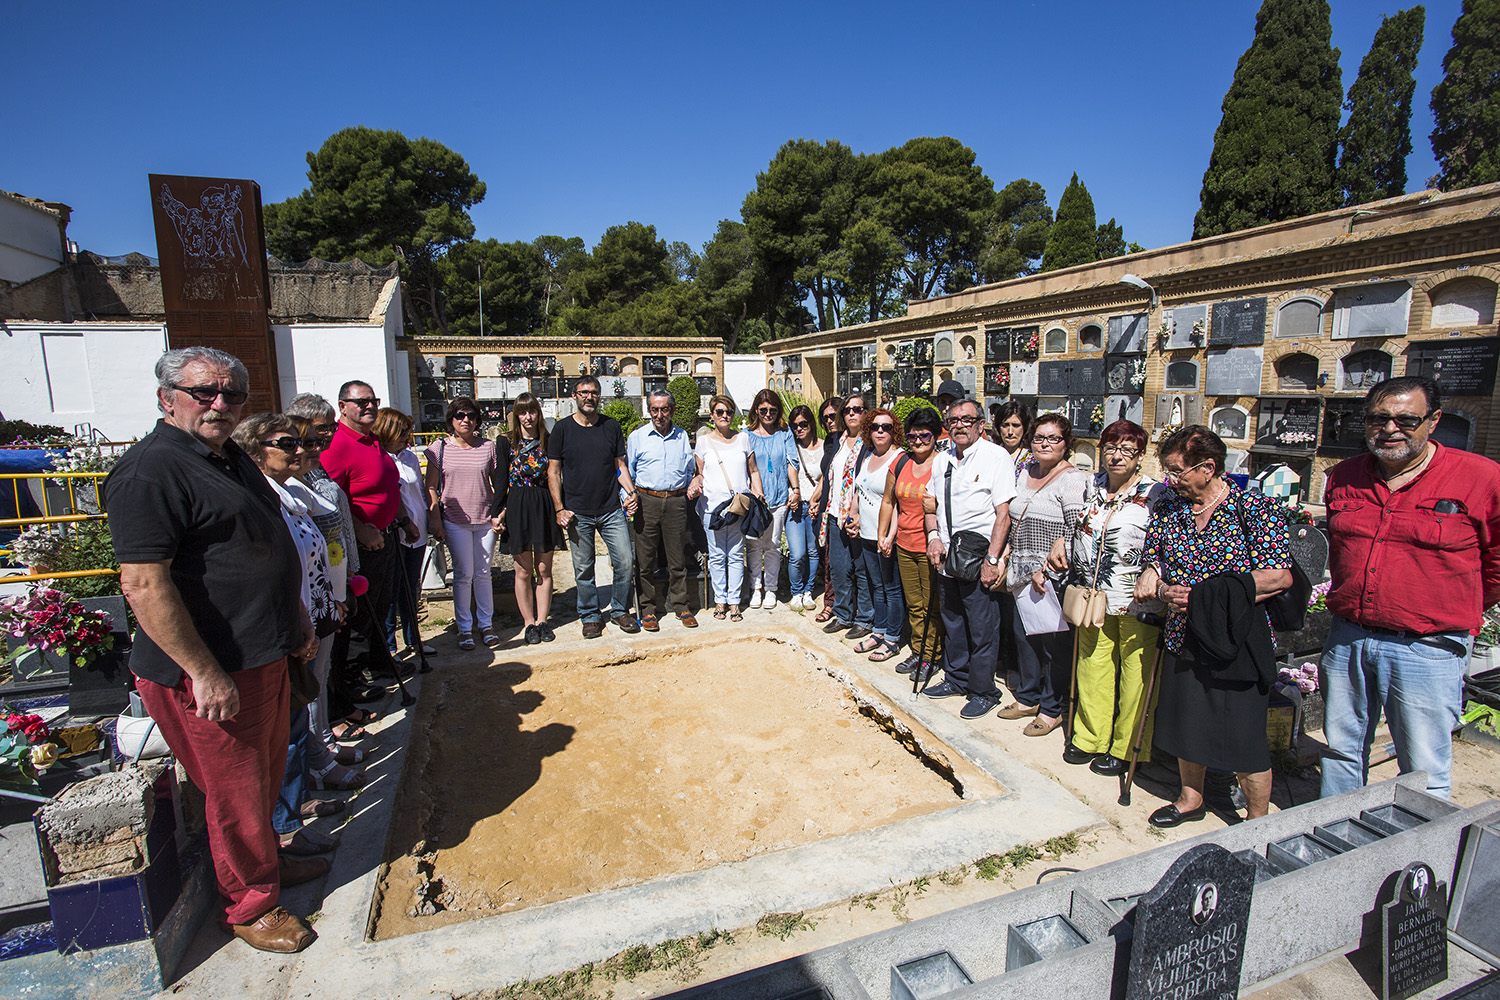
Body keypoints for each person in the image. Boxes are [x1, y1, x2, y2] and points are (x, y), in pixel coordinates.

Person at [104, 347, 322, 954]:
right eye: (205, 392)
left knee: (264, 776)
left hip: (262, 652)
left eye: (232, 394)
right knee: (235, 792)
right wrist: (202, 671)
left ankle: (268, 861)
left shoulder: (225, 457)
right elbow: (144, 583)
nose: (220, 404)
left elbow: (264, 544)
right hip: (212, 667)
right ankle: (251, 905)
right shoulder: (151, 471)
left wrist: (297, 616)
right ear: (166, 397)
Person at [1319, 375, 1500, 800]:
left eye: (1405, 420)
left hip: (1427, 648)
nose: (1390, 429)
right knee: (1342, 750)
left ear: (1433, 421)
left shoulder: (1481, 478)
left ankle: (1416, 840)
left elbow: (1495, 567)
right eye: (1378, 418)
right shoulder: (1344, 476)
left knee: (1422, 766)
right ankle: (1334, 833)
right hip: (1349, 637)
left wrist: (1439, 608)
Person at [1135, 425, 1293, 827]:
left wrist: (1205, 596)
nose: (1171, 480)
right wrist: (1155, 577)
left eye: (1177, 471)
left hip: (1236, 639)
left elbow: (1279, 576)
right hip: (1184, 634)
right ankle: (1191, 799)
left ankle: (1256, 821)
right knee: (1189, 723)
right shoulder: (1170, 508)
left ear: (1208, 467)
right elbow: (1155, 554)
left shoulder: (1253, 508)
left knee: (1243, 735)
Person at [231, 413, 352, 863]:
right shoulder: (259, 497)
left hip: (310, 615)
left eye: (302, 441)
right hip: (286, 628)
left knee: (299, 718)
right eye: (288, 443)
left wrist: (331, 599)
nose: (302, 450)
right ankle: (286, 828)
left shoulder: (291, 491)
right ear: (254, 450)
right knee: (289, 727)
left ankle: (296, 807)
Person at [1046, 420, 1165, 773]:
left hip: (1137, 599)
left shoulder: (1157, 493)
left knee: (1135, 675)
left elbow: (1171, 539)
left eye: (1127, 449)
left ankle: (1127, 747)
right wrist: (1062, 541)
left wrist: (1156, 568)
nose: (1116, 456)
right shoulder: (1090, 485)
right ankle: (1089, 738)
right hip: (1092, 594)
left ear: (1140, 455)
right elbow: (1075, 525)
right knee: (1092, 665)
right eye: (1110, 448)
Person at [285, 393, 372, 744]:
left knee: (329, 662)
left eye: (326, 430)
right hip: (315, 591)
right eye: (318, 432)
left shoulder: (316, 466)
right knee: (316, 670)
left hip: (335, 580)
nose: (323, 439)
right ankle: (324, 734)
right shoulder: (293, 479)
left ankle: (328, 727)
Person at [922, 398, 1016, 720]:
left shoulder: (995, 457)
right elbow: (931, 505)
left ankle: (983, 691)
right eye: (954, 420)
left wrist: (993, 559)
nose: (959, 425)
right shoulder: (942, 460)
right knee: (953, 621)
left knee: (982, 628)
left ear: (980, 424)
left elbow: (1003, 514)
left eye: (967, 419)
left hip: (978, 557)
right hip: (948, 556)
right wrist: (933, 537)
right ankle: (956, 678)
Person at [998, 412, 1089, 735]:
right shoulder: (1026, 472)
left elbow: (1076, 530)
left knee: (1053, 647)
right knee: (1025, 640)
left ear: (1066, 443)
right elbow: (1015, 518)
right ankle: (1028, 697)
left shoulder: (1072, 479)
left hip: (1052, 576)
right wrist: (1005, 553)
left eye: (1054, 438)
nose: (1045, 444)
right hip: (1021, 571)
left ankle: (1052, 709)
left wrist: (1047, 570)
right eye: (1039, 438)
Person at [320, 380, 409, 676]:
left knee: (382, 606)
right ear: (342, 407)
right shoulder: (336, 445)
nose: (369, 406)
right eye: (361, 402)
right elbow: (329, 499)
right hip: (360, 545)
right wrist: (360, 531)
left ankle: (381, 663)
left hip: (385, 537)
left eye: (373, 401)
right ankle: (354, 675)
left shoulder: (373, 441)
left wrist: (403, 520)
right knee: (361, 612)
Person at [548, 375, 640, 639]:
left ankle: (620, 610)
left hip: (611, 509)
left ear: (599, 396)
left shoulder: (610, 426)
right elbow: (553, 471)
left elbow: (619, 465)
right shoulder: (562, 429)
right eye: (584, 392)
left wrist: (631, 492)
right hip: (578, 512)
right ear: (574, 396)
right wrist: (559, 508)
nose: (589, 397)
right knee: (583, 568)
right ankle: (590, 616)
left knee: (625, 561)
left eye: (594, 393)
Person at [425, 397, 508, 650]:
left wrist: (500, 512)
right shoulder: (439, 448)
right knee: (463, 575)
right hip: (455, 520)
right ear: (451, 419)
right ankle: (464, 628)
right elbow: (431, 486)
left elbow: (499, 483)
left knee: (483, 573)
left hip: (485, 519)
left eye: (471, 416)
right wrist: (435, 518)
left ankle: (486, 624)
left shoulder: (488, 447)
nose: (466, 420)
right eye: (460, 415)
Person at [627, 389, 701, 631]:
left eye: (664, 409)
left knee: (677, 558)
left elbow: (689, 469)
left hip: (676, 502)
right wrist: (629, 498)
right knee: (645, 560)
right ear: (649, 410)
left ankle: (681, 606)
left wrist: (690, 485)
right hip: (646, 500)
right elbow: (628, 471)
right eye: (654, 410)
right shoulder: (637, 437)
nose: (659, 415)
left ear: (672, 410)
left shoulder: (682, 436)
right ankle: (648, 609)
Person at [879, 405, 943, 679]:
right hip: (904, 544)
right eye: (913, 436)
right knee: (914, 604)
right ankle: (918, 651)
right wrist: (884, 535)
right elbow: (888, 501)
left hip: (930, 547)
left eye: (924, 435)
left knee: (931, 606)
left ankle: (932, 656)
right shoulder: (901, 463)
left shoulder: (943, 464)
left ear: (935, 435)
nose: (918, 441)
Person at [500, 394, 564, 644]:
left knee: (544, 569)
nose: (528, 417)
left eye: (532, 411)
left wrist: (561, 508)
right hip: (518, 505)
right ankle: (528, 623)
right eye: (523, 412)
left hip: (543, 504)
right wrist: (498, 511)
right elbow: (500, 480)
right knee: (523, 570)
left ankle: (543, 620)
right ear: (516, 415)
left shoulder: (549, 440)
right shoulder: (507, 442)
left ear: (539, 413)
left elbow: (556, 474)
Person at [694, 394, 763, 620]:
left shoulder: (743, 439)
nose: (725, 416)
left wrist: (758, 493)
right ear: (712, 415)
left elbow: (753, 470)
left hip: (738, 506)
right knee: (716, 556)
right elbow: (700, 473)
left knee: (735, 555)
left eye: (729, 412)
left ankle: (734, 602)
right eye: (720, 412)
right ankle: (719, 601)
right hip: (712, 508)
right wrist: (696, 483)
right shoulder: (703, 442)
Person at [373, 408, 432, 659]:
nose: (407, 437)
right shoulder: (378, 457)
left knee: (410, 589)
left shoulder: (409, 457)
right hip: (396, 533)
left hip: (418, 532)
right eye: (402, 432)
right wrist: (405, 523)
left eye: (408, 432)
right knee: (391, 590)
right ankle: (389, 646)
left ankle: (413, 640)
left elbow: (419, 491)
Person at [850, 407, 905, 661]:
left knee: (891, 588)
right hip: (867, 533)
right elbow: (859, 489)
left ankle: (892, 638)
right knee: (877, 586)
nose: (880, 431)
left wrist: (890, 536)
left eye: (886, 427)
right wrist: (854, 516)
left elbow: (897, 502)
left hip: (886, 537)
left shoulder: (900, 459)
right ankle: (879, 631)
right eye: (875, 427)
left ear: (894, 431)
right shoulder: (869, 455)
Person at [821, 394, 873, 639]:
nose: (852, 413)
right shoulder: (838, 440)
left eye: (858, 409)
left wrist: (858, 511)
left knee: (861, 569)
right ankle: (843, 614)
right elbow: (830, 477)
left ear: (866, 413)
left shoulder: (870, 442)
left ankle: (865, 618)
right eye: (847, 410)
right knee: (839, 568)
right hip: (835, 514)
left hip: (859, 516)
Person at [744, 389, 800, 611]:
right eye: (764, 410)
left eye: (773, 410)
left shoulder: (784, 434)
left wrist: (795, 489)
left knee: (773, 545)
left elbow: (791, 463)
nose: (768, 414)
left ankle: (771, 588)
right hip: (756, 501)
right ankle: (755, 587)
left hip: (778, 498)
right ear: (756, 411)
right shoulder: (746, 435)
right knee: (754, 545)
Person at [786, 404, 824, 612]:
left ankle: (808, 591)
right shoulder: (792, 447)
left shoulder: (824, 446)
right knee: (797, 553)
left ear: (811, 423)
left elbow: (826, 476)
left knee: (813, 551)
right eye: (794, 425)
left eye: (803, 424)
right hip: (795, 507)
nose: (799, 429)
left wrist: (816, 500)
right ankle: (796, 592)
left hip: (814, 506)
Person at [810, 398, 845, 623]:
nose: (829, 421)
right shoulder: (831, 441)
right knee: (828, 557)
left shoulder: (853, 441)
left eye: (833, 416)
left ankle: (844, 606)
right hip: (827, 507)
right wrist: (815, 498)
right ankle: (831, 602)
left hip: (845, 508)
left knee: (844, 562)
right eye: (825, 418)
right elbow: (827, 474)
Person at [991, 401, 1034, 484]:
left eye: (1016, 425)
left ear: (1025, 427)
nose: (1010, 432)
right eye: (1005, 425)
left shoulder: (1032, 461)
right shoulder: (991, 455)